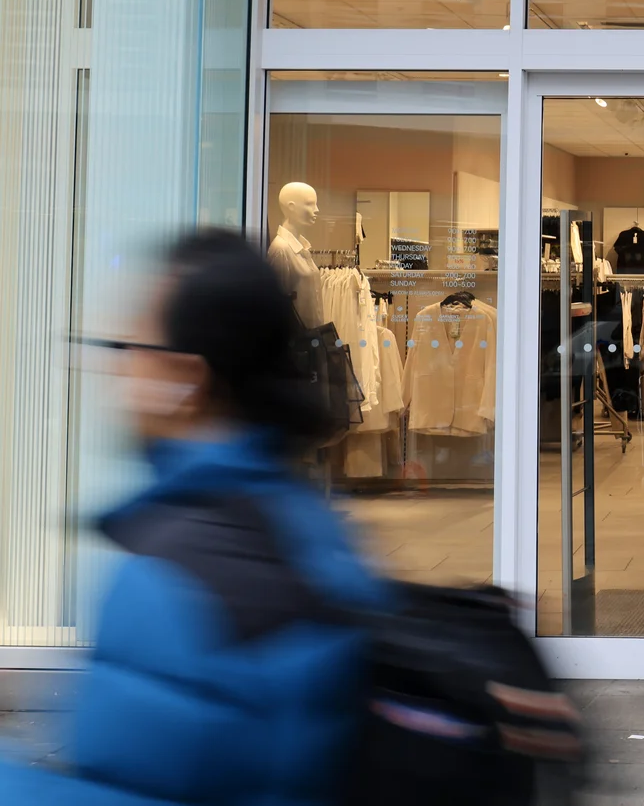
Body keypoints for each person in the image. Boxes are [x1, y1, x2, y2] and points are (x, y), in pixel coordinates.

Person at [0, 229, 388, 806]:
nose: (118, 371)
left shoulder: (166, 578)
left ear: (185, 380)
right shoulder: (306, 519)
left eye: (131, 348)